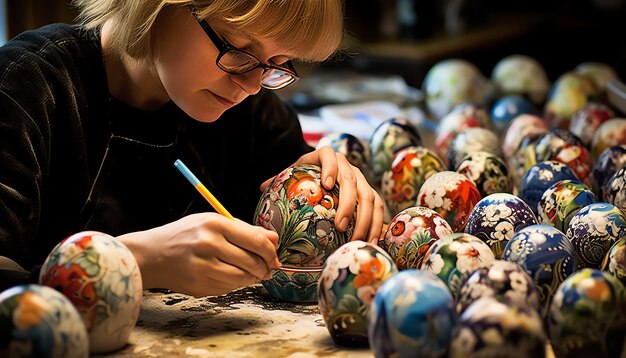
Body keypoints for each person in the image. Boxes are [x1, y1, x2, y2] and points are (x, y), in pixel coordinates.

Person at [0, 0, 384, 297]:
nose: (251, 85)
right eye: (237, 47)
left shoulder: (253, 115)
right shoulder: (25, 90)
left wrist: (329, 184)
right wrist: (136, 261)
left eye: (276, 63)